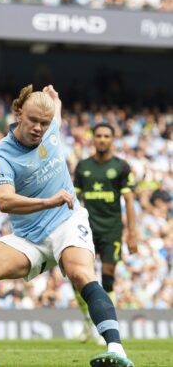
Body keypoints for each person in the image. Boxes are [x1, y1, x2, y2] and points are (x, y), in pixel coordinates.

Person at [0, 85, 133, 367]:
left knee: (80, 273)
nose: (40, 128)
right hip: (30, 236)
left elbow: (56, 112)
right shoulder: (1, 156)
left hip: (67, 220)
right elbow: (4, 201)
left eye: (45, 122)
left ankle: (117, 350)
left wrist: (53, 99)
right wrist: (47, 201)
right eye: (33, 121)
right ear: (18, 113)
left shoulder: (52, 127)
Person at [73, 122, 137, 343]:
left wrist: (132, 233)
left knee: (108, 275)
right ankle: (88, 321)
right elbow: (74, 200)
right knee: (79, 276)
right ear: (93, 138)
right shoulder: (83, 167)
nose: (102, 139)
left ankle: (106, 324)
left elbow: (129, 201)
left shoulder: (121, 167)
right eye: (98, 135)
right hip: (85, 229)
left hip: (111, 229)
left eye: (106, 136)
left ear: (112, 139)